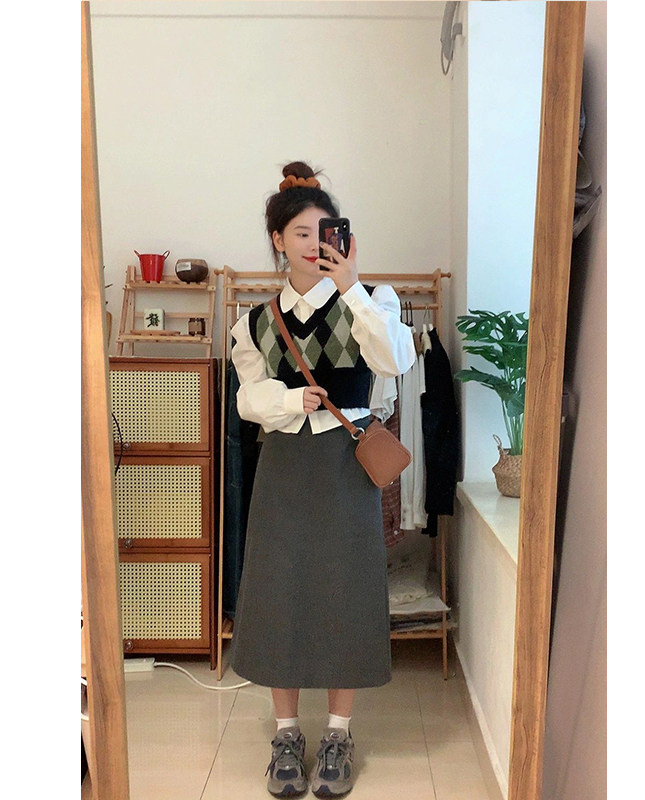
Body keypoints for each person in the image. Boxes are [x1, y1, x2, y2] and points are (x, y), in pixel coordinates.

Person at [229, 161, 415, 798]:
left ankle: (338, 732)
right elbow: (248, 400)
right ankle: (286, 733)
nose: (314, 244)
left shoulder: (373, 300)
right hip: (284, 463)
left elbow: (395, 360)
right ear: (278, 240)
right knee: (278, 590)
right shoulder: (255, 322)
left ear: (342, 236)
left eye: (324, 232)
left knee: (346, 590)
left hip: (345, 465)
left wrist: (353, 287)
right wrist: (288, 401)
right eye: (301, 234)